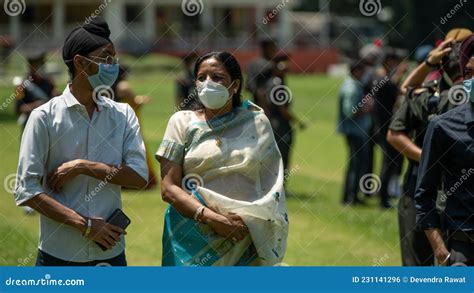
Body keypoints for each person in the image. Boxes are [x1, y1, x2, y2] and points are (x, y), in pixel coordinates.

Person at [14, 17, 148, 266]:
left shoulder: (122, 114)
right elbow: (27, 189)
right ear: (80, 62)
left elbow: (140, 176)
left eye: (114, 58)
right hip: (59, 254)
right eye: (105, 57)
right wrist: (85, 225)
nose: (113, 65)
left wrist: (83, 166)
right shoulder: (44, 117)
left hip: (110, 254)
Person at [156, 51, 288, 266]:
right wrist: (212, 218)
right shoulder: (181, 122)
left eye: (217, 77)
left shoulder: (256, 122)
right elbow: (168, 188)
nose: (208, 83)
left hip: (243, 232)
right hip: (191, 236)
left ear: (235, 85)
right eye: (201, 78)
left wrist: (247, 220)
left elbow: (271, 182)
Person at [388, 31, 471, 266]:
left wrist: (427, 63)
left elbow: (406, 90)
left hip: (421, 191)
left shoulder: (430, 96)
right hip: (455, 201)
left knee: (417, 268)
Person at [414, 34, 474, 266]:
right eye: (468, 73)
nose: (472, 78)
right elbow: (423, 196)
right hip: (463, 250)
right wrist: (440, 250)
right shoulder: (443, 126)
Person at [372, 48, 407, 208]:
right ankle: (383, 198)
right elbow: (399, 91)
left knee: (390, 161)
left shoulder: (382, 78)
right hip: (384, 126)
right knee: (389, 162)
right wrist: (399, 74)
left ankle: (385, 195)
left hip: (383, 125)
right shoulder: (383, 80)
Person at [112, 65, 157, 189]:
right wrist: (143, 99)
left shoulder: (107, 85)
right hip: (127, 121)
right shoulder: (123, 86)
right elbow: (135, 102)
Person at [337, 61, 371, 205]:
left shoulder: (352, 85)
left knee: (356, 164)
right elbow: (350, 111)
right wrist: (366, 109)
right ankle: (351, 197)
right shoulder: (351, 88)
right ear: (356, 70)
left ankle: (352, 196)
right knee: (355, 165)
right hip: (354, 132)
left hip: (355, 131)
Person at [15, 52, 58, 130]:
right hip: (29, 125)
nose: (40, 68)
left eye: (41, 64)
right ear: (30, 67)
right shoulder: (21, 86)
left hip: (48, 124)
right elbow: (18, 109)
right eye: (37, 65)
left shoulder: (49, 83)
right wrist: (35, 105)